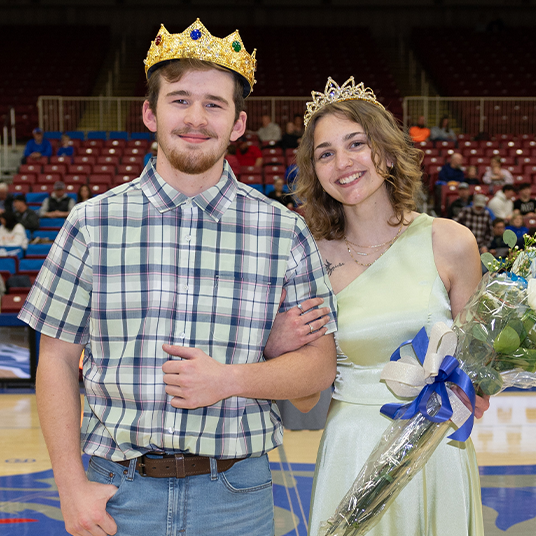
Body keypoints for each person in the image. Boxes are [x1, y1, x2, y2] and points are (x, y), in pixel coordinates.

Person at [19, 19, 337, 536]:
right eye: (180, 99)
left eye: (214, 104)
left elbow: (319, 367)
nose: (196, 117)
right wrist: (70, 485)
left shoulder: (284, 231)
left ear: (238, 124)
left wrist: (231, 378)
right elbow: (55, 360)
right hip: (116, 491)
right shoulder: (91, 222)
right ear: (150, 112)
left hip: (236, 495)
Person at [293, 76, 489, 536]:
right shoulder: (308, 258)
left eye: (356, 143)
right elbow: (304, 395)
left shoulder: (450, 242)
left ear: (384, 150)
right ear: (314, 170)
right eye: (325, 153)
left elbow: (482, 369)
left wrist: (471, 388)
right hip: (351, 445)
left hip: (437, 448)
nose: (342, 163)